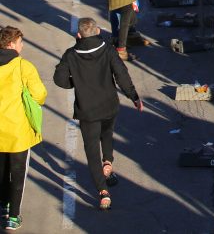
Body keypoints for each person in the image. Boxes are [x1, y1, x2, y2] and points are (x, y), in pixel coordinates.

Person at [52, 18, 142, 210]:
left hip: (87, 110)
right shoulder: (108, 49)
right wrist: (133, 96)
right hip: (109, 105)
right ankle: (108, 162)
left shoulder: (71, 54)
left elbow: (59, 79)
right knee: (107, 134)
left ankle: (103, 192)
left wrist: (75, 83)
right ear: (98, 30)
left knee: (91, 150)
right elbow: (121, 75)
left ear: (78, 35)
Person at [0, 25, 45, 231]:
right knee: (18, 174)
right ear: (11, 44)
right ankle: (14, 216)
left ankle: (3, 204)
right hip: (17, 131)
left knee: (1, 171)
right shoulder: (23, 66)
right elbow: (39, 94)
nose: (22, 45)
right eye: (20, 42)